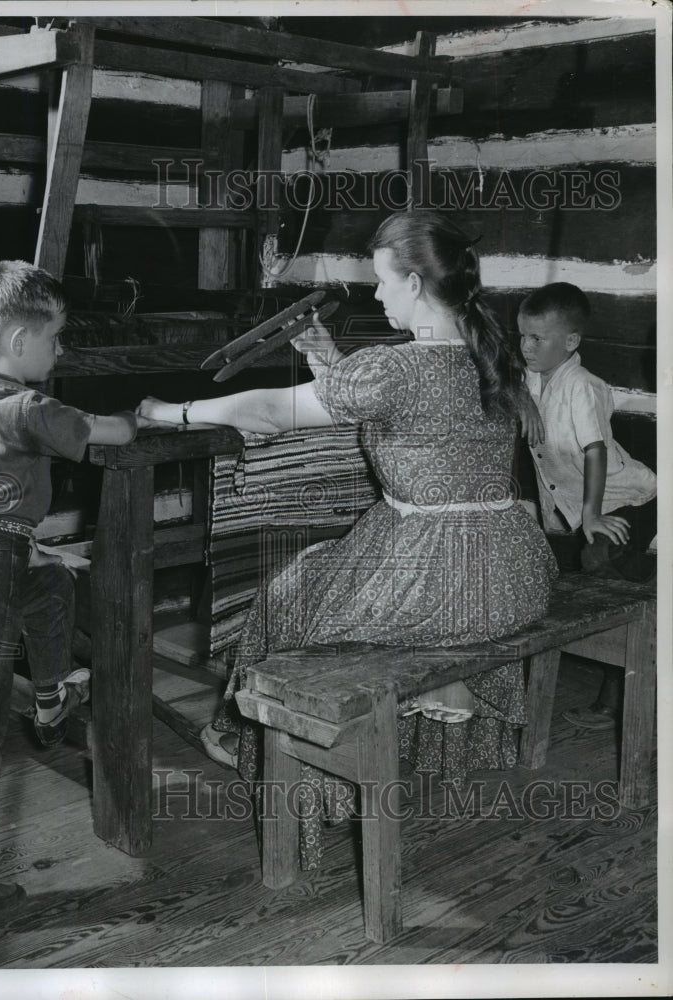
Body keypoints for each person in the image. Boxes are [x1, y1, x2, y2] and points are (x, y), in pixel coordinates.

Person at [140, 210, 558, 868]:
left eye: (384, 283)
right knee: (325, 578)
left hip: (441, 574)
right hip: (514, 572)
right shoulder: (488, 357)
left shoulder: (396, 368)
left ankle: (275, 758)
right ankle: (396, 746)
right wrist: (328, 358)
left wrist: (172, 411)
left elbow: (270, 410)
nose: (378, 295)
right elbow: (415, 417)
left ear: (416, 284)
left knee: (291, 595)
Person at [0, 260, 143, 923]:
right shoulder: (28, 407)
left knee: (50, 585)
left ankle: (48, 696)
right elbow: (112, 432)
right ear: (18, 341)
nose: (61, 349)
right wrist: (148, 412)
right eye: (55, 338)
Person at [518, 282, 656, 730]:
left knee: (601, 559)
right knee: (546, 571)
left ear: (571, 341)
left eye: (537, 338)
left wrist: (593, 516)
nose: (526, 346)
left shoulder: (583, 386)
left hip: (629, 498)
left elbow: (595, 450)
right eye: (522, 335)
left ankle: (616, 698)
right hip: (574, 509)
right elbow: (502, 380)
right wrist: (523, 400)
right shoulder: (531, 378)